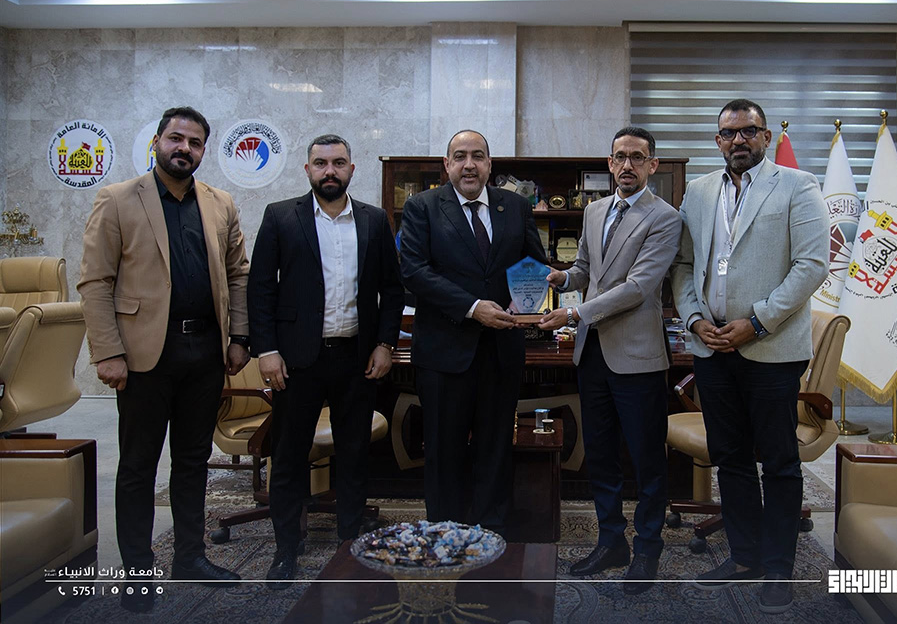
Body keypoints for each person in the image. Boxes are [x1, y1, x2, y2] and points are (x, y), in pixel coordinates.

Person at [78, 106, 250, 612]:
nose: (184, 149)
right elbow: (95, 281)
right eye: (176, 138)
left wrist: (239, 337)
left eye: (194, 143)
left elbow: (238, 274)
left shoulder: (220, 203)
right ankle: (137, 571)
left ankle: (190, 558)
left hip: (205, 354)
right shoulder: (117, 199)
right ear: (156, 141)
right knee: (138, 466)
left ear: (203, 151)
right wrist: (108, 352)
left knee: (193, 462)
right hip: (142, 356)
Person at [670, 99, 829, 613]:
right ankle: (744, 556)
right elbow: (684, 264)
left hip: (771, 348)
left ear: (764, 136)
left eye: (749, 131)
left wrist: (756, 322)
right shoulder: (698, 191)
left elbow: (812, 265)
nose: (739, 140)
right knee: (731, 458)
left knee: (779, 462)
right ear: (717, 141)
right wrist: (694, 320)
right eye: (729, 133)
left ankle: (778, 567)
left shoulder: (797, 186)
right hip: (712, 346)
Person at [247, 134, 404, 588]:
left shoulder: (373, 220)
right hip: (297, 361)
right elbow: (261, 288)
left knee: (353, 455)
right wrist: (267, 351)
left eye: (338, 163)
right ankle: (285, 549)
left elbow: (392, 289)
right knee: (289, 456)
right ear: (308, 170)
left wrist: (385, 343)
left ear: (352, 169)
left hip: (356, 356)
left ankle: (349, 545)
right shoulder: (281, 216)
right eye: (321, 163)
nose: (329, 171)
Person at [538, 126, 681, 594]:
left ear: (652, 165)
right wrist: (563, 278)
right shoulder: (595, 210)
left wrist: (574, 312)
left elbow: (638, 288)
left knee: (645, 459)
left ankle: (648, 549)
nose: (627, 165)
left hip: (637, 356)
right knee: (600, 455)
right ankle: (611, 541)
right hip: (593, 353)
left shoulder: (665, 218)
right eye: (619, 157)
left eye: (637, 157)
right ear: (609, 163)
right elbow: (586, 270)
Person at [399, 129, 548, 532]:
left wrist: (524, 304)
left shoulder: (515, 206)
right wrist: (473, 308)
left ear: (489, 165)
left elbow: (533, 265)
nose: (469, 165)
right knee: (443, 451)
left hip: (501, 350)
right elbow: (413, 271)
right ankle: (445, 535)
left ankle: (491, 534)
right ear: (446, 164)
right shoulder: (422, 207)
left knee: (496, 448)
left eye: (478, 156)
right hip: (444, 353)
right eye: (460, 156)